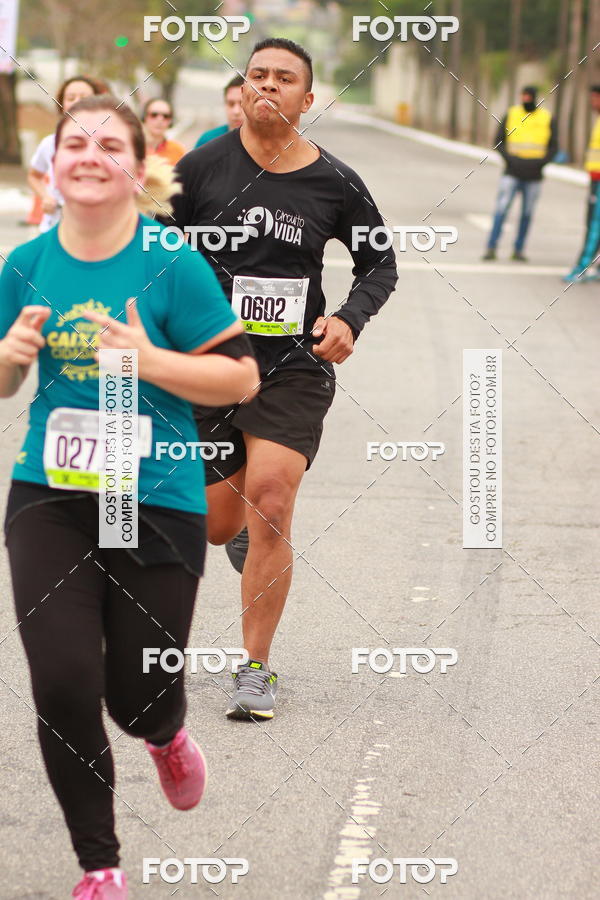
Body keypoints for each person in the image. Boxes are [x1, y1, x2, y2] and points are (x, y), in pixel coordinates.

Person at [0, 95, 258, 898]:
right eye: (73, 141)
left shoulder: (170, 263)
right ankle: (99, 867)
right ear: (53, 162)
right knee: (64, 683)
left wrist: (150, 359)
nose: (89, 153)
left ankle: (165, 731)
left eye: (110, 144)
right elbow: (5, 378)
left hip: (155, 494)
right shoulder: (23, 266)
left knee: (137, 691)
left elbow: (241, 376)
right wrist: (9, 358)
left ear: (138, 168)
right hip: (54, 490)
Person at [170, 38, 397, 721]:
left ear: (307, 97)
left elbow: (379, 265)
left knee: (273, 498)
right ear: (241, 92)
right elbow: (149, 252)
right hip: (209, 365)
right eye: (257, 74)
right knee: (213, 527)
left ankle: (255, 670)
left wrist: (350, 320)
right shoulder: (200, 169)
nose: (267, 85)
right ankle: (236, 523)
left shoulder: (336, 183)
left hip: (294, 367)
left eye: (284, 77)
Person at [483, 86, 557, 262]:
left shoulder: (546, 118)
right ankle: (491, 247)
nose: (526, 99)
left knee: (527, 214)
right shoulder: (512, 114)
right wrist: (510, 160)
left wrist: (541, 163)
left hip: (534, 176)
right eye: (523, 96)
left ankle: (518, 249)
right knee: (501, 210)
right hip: (512, 173)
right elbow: (498, 141)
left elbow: (554, 146)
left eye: (529, 96)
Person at [27, 76, 100, 233]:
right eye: (71, 98)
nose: (77, 102)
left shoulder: (110, 145)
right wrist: (46, 197)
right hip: (54, 228)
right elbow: (34, 175)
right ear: (62, 106)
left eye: (85, 97)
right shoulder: (50, 143)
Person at [563, 85, 600, 283]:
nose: (592, 102)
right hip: (595, 179)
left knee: (594, 225)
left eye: (595, 98)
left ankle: (581, 267)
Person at [194, 73, 244, 148]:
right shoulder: (208, 140)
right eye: (231, 104)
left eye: (242, 104)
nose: (236, 111)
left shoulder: (265, 144)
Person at [141, 97, 186, 165]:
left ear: (171, 121)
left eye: (166, 116)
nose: (160, 120)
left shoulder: (178, 151)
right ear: (144, 117)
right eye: (154, 115)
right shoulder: (132, 148)